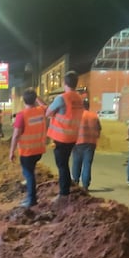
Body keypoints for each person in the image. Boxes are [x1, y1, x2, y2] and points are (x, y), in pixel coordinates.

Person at [46, 70, 84, 200]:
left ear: (64, 83)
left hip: (61, 137)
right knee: (65, 163)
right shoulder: (79, 98)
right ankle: (66, 189)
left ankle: (63, 193)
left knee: (62, 165)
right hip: (73, 137)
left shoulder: (62, 98)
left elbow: (48, 113)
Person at [9, 88, 47, 207]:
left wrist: (11, 152)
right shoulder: (41, 111)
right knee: (30, 173)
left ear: (23, 101)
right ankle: (31, 197)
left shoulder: (22, 115)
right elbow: (45, 105)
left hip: (27, 151)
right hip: (39, 150)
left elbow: (15, 136)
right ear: (35, 100)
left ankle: (31, 199)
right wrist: (37, 97)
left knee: (28, 174)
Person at [71, 99, 101, 191]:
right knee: (87, 164)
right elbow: (99, 128)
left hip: (78, 143)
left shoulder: (76, 116)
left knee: (76, 163)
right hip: (91, 143)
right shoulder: (94, 116)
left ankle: (75, 182)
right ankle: (85, 186)